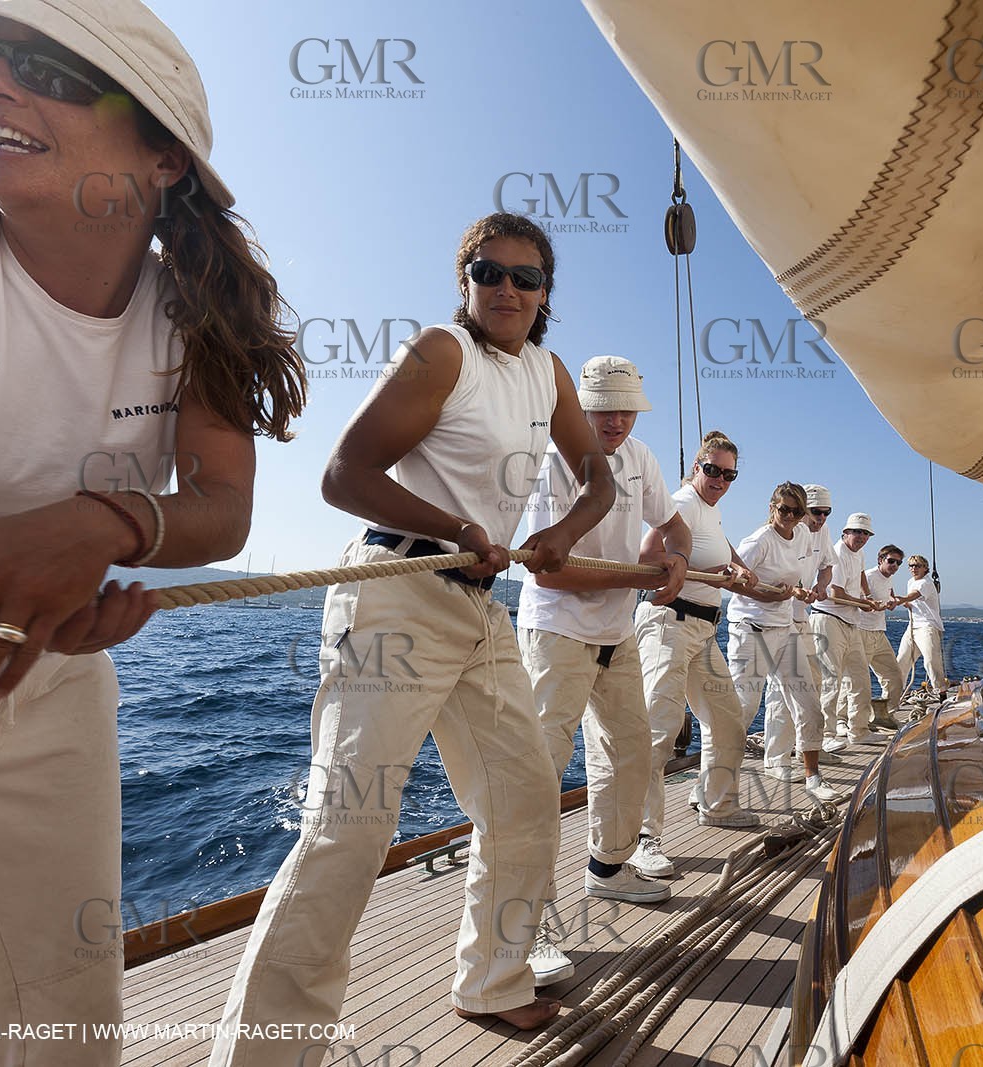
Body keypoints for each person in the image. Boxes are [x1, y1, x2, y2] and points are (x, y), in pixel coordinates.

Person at [0, 1, 304, 1061]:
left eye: (50, 69)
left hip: (53, 672)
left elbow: (225, 508)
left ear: (163, 157)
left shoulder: (195, 318)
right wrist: (13, 567)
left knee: (69, 1016)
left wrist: (99, 524)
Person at [214, 213, 615, 1059]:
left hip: (479, 607)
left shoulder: (548, 374)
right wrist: (461, 527)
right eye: (489, 270)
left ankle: (492, 980)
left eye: (526, 276)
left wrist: (566, 532)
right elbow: (342, 474)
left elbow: (600, 478)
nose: (507, 287)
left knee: (526, 798)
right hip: (395, 591)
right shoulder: (443, 351)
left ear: (546, 296)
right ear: (464, 279)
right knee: (349, 825)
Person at [516, 354, 689, 983]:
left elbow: (673, 526)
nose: (615, 420)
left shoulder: (640, 458)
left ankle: (608, 869)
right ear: (579, 407)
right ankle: (526, 928)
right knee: (538, 773)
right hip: (557, 633)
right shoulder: (547, 460)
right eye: (603, 408)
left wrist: (673, 558)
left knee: (630, 754)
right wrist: (648, 576)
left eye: (626, 409)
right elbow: (547, 566)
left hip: (618, 634)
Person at [636, 430, 761, 867]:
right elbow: (647, 560)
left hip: (704, 630)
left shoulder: (712, 510)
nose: (720, 480)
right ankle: (641, 839)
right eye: (713, 471)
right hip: (669, 623)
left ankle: (717, 805)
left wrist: (741, 573)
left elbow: (723, 555)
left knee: (727, 720)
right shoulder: (684, 503)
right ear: (696, 467)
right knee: (658, 730)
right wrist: (714, 570)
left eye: (729, 474)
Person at [726, 484, 846, 805]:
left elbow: (800, 577)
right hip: (751, 628)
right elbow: (735, 584)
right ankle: (717, 783)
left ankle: (813, 778)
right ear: (772, 507)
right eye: (784, 510)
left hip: (784, 626)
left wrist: (799, 591)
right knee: (744, 707)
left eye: (797, 511)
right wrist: (772, 594)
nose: (790, 517)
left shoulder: (804, 536)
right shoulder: (759, 541)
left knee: (808, 701)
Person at [763, 485, 838, 766]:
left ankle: (808, 746)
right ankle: (777, 759)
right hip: (775, 617)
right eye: (816, 513)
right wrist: (794, 591)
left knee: (811, 684)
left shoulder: (822, 531)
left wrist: (820, 584)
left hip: (800, 616)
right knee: (781, 692)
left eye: (826, 514)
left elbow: (827, 565)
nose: (821, 519)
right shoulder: (783, 534)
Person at [812, 513, 876, 748]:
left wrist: (867, 595)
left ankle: (859, 730)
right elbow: (835, 594)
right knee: (830, 681)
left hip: (850, 622)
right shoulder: (837, 552)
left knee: (860, 679)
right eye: (857, 532)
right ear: (845, 533)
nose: (861, 537)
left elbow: (860, 574)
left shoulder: (858, 554)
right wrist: (864, 604)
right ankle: (825, 736)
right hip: (828, 619)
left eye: (865, 533)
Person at [857, 545, 908, 729]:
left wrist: (893, 601)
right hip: (863, 631)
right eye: (891, 561)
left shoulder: (889, 579)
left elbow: (890, 595)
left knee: (894, 675)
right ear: (880, 560)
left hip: (879, 632)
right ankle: (848, 720)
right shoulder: (869, 576)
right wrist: (870, 603)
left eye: (898, 563)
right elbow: (857, 599)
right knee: (858, 680)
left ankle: (885, 715)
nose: (895, 565)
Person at [896, 554, 948, 693]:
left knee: (931, 662)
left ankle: (941, 692)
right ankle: (895, 695)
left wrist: (900, 600)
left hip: (927, 627)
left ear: (925, 568)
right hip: (912, 627)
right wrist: (901, 601)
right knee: (901, 661)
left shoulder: (926, 583)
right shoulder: (910, 582)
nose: (914, 568)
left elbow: (914, 595)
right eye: (911, 566)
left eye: (918, 565)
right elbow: (913, 602)